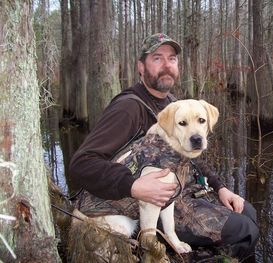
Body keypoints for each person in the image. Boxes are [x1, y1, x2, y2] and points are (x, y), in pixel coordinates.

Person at [69, 33, 259, 261]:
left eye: (172, 58)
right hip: (141, 203)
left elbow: (190, 155)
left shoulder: (174, 105)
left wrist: (220, 187)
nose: (167, 65)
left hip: (177, 191)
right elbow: (82, 163)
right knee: (245, 232)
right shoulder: (128, 108)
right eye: (157, 58)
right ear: (141, 67)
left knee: (248, 212)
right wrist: (132, 186)